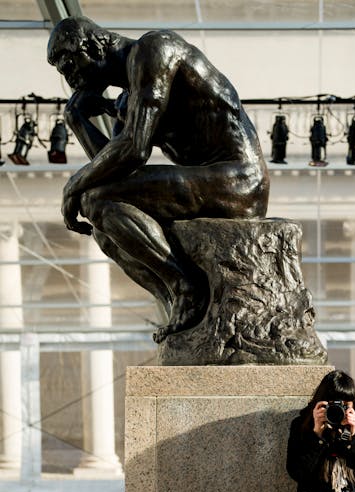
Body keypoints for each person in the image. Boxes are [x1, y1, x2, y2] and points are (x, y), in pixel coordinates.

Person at [47, 16, 269, 333]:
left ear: (93, 46)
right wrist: (77, 118)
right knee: (103, 227)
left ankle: (185, 288)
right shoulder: (128, 97)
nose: (71, 80)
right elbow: (115, 172)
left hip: (238, 180)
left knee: (93, 199)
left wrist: (72, 188)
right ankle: (176, 301)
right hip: (209, 181)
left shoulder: (155, 51)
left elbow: (133, 149)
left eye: (69, 65)